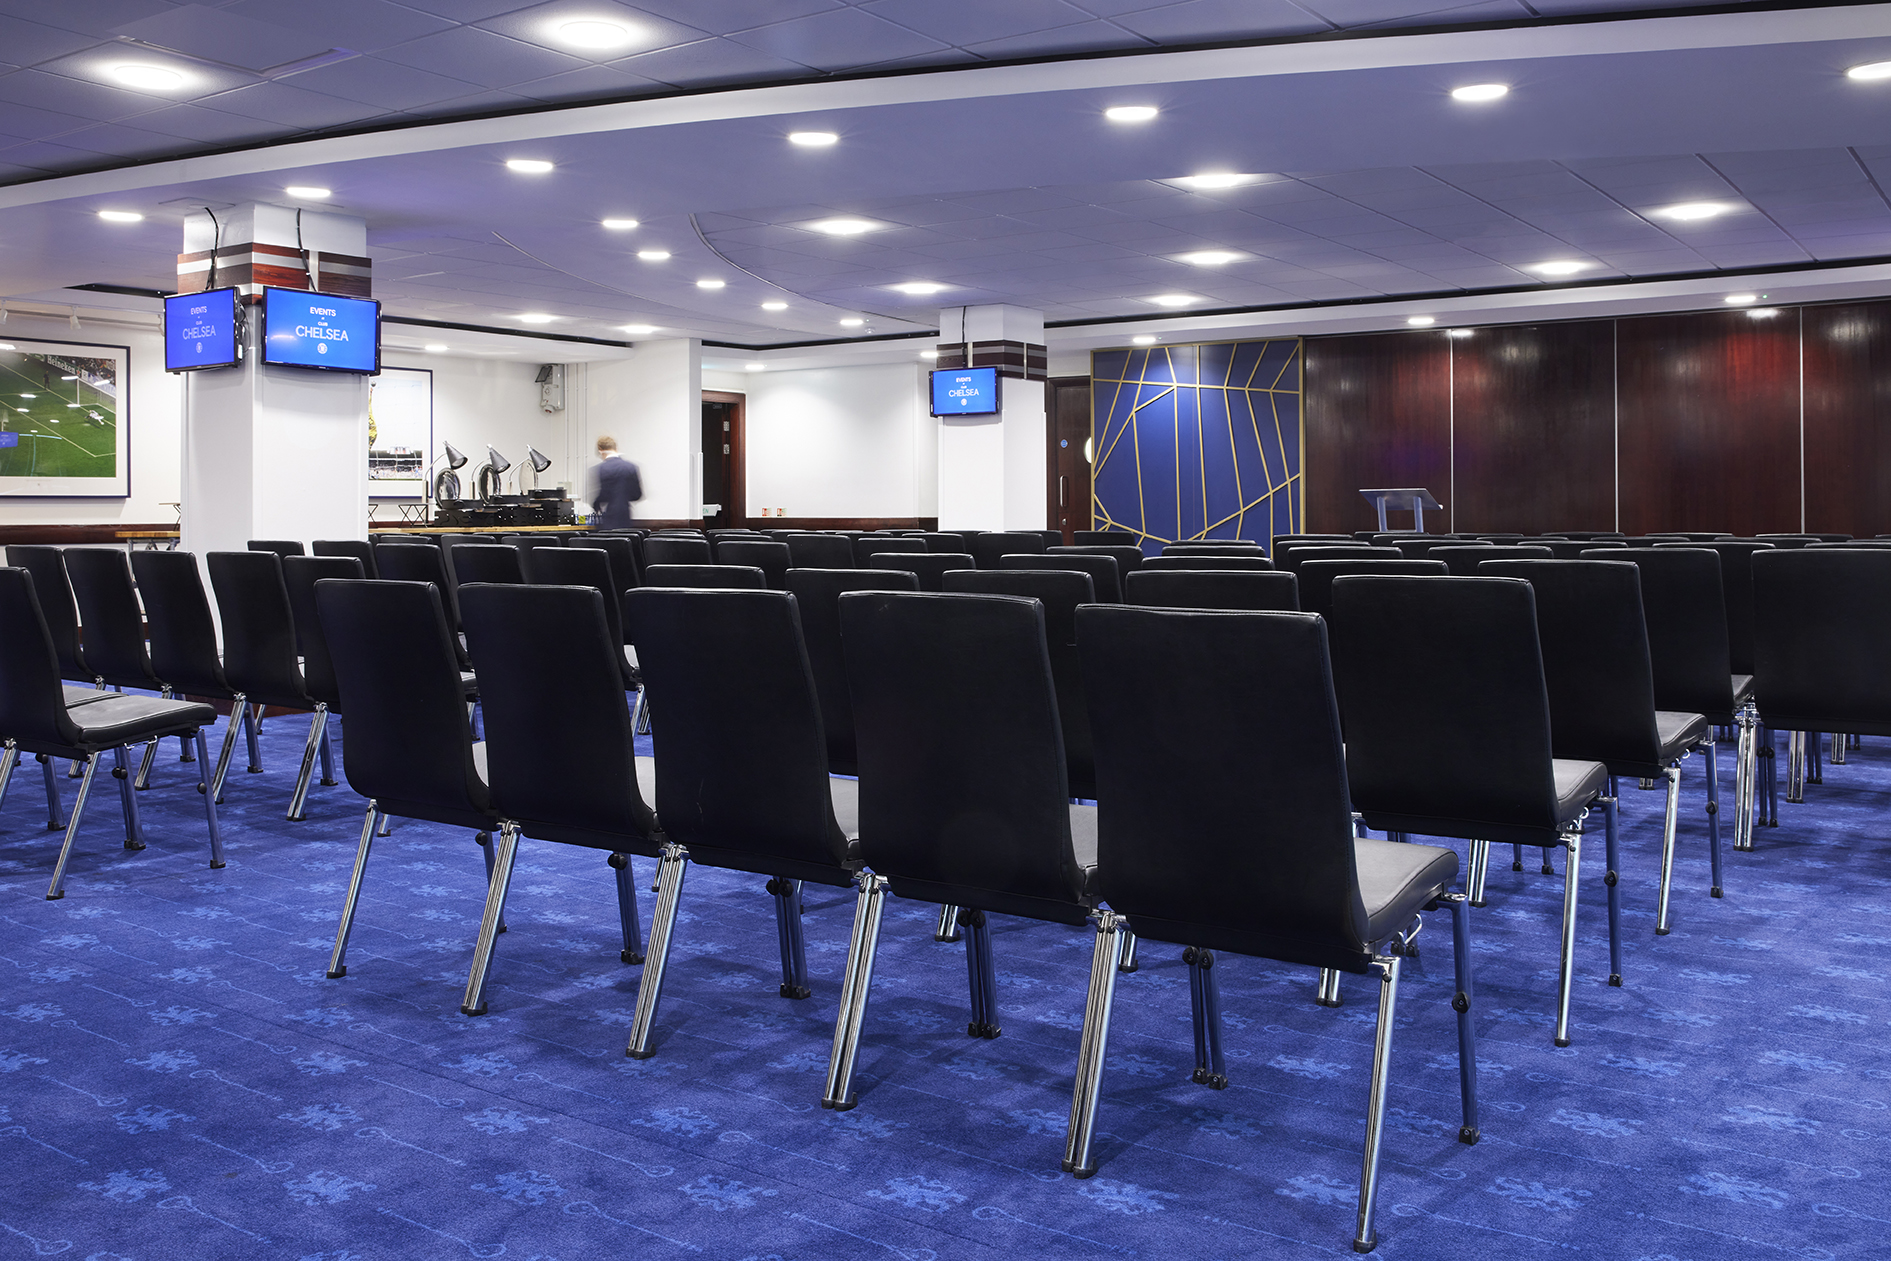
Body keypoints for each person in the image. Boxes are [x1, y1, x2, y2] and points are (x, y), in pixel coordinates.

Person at [588, 435, 642, 529]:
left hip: (608, 520)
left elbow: (602, 494)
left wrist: (596, 503)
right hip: (625, 518)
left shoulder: (601, 469)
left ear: (600, 450)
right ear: (615, 448)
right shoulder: (631, 467)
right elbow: (637, 495)